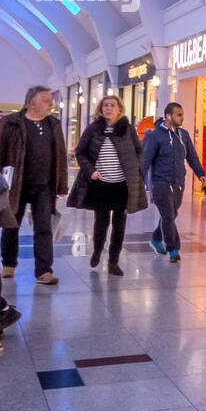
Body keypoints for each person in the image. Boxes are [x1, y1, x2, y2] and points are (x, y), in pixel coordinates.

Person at [0, 86, 68, 285]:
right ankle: (8, 264)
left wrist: (61, 184)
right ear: (31, 102)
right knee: (11, 225)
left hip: (44, 186)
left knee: (44, 228)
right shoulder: (11, 122)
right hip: (16, 184)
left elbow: (60, 156)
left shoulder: (54, 124)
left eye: (51, 100)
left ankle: (44, 271)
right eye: (46, 100)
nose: (51, 104)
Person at [68, 95, 147, 276]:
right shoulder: (93, 129)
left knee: (119, 224)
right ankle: (97, 251)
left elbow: (138, 150)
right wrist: (90, 171)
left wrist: (136, 168)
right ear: (100, 109)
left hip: (122, 185)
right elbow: (81, 152)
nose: (108, 108)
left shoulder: (126, 129)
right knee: (101, 222)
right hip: (101, 184)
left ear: (119, 109)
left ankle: (113, 261)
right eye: (105, 105)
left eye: (112, 105)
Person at [142, 102, 206, 263]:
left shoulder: (183, 135)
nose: (182, 117)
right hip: (160, 183)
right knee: (168, 215)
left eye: (182, 114)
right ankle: (173, 249)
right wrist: (139, 183)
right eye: (179, 114)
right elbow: (145, 161)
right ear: (169, 116)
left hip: (178, 182)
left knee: (171, 215)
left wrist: (201, 174)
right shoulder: (154, 136)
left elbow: (192, 156)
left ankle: (156, 239)